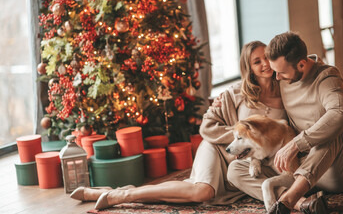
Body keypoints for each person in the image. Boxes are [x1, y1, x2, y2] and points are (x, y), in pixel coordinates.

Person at [70, 40, 287, 210]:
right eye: (257, 61)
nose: (265, 64)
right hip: (218, 149)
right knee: (201, 192)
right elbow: (207, 128)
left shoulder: (285, 92)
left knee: (191, 191)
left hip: (245, 160)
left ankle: (111, 192)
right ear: (248, 67)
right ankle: (121, 195)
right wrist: (242, 136)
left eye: (266, 57)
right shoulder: (235, 93)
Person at [227, 32, 343, 214]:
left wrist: (296, 144)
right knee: (236, 169)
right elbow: (254, 81)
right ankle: (303, 203)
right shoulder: (284, 75)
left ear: (301, 64)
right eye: (275, 72)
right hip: (300, 167)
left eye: (281, 72)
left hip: (336, 169)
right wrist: (226, 96)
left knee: (333, 128)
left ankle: (289, 200)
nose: (277, 78)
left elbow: (340, 114)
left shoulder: (328, 77)